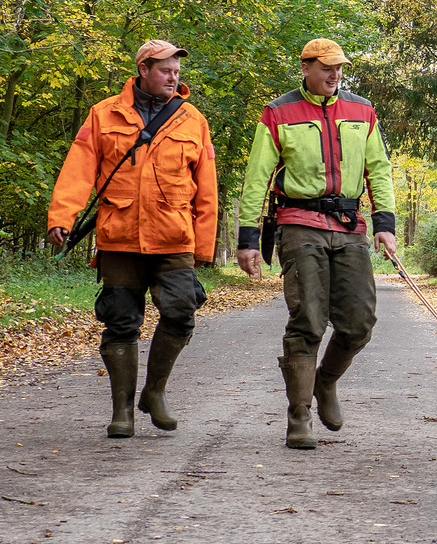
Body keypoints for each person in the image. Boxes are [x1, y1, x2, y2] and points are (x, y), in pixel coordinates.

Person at [46, 40, 218, 438]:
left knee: (180, 311)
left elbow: (206, 186)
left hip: (174, 237)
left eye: (177, 72)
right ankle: (121, 409)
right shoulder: (104, 113)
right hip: (119, 236)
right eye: (165, 71)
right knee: (121, 322)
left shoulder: (192, 119)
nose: (174, 78)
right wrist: (62, 216)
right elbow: (79, 167)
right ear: (143, 69)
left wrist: (204, 244)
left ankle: (154, 392)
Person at [235, 38, 397, 450]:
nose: (335, 75)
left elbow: (379, 168)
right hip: (298, 221)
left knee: (359, 322)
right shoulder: (278, 112)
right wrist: (248, 239)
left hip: (349, 225)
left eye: (339, 68)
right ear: (305, 67)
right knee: (308, 320)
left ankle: (325, 382)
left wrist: (385, 223)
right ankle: (299, 415)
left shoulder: (362, 111)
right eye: (326, 67)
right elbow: (258, 177)